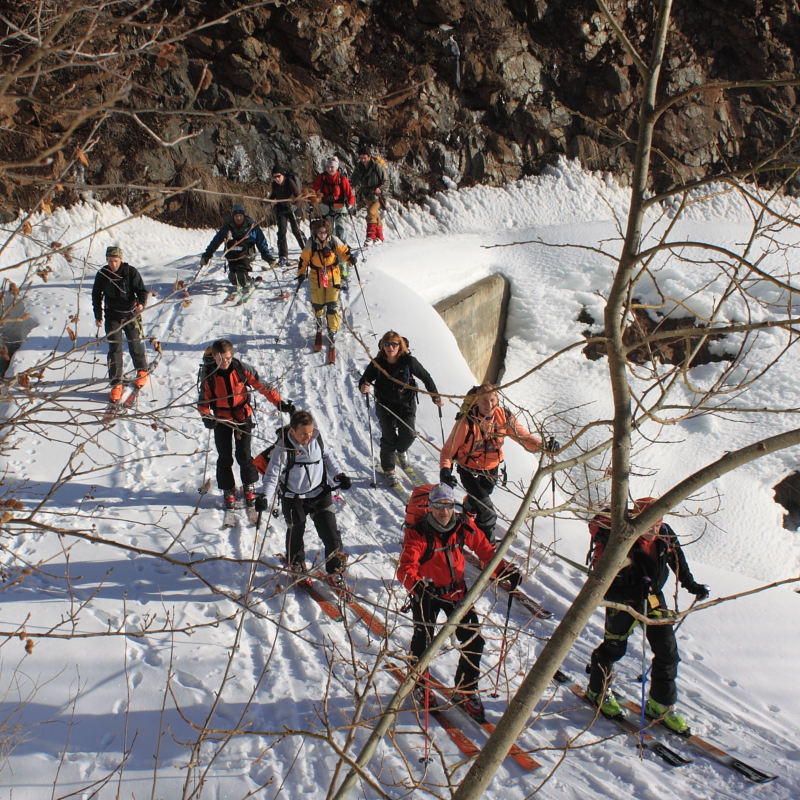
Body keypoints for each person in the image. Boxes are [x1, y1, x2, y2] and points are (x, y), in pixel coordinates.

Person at [396, 483, 522, 720]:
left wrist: (504, 570)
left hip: (456, 594)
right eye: (437, 505)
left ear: (453, 506)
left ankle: (466, 688)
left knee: (474, 642)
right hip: (428, 594)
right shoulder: (419, 533)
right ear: (429, 507)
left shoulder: (464, 526)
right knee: (423, 642)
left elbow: (486, 551)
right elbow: (405, 568)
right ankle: (420, 684)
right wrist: (417, 585)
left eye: (447, 505)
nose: (443, 511)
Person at [586, 498, 710, 733]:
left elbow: (677, 559)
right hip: (622, 600)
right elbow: (603, 577)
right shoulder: (621, 538)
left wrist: (691, 584)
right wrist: (630, 590)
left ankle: (660, 705)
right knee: (614, 648)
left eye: (658, 522)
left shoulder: (664, 532)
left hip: (653, 598)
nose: (654, 529)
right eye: (649, 523)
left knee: (668, 652)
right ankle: (597, 691)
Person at [440, 383, 557, 544]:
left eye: (493, 400)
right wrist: (445, 471)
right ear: (477, 402)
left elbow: (524, 438)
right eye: (484, 401)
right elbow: (448, 451)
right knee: (488, 512)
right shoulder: (466, 423)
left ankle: (468, 507)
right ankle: (488, 549)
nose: (489, 405)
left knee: (480, 499)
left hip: (492, 469)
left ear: (498, 399)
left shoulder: (504, 417)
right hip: (469, 470)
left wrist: (543, 445)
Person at [256, 409, 352, 589]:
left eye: (309, 432)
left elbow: (328, 458)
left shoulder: (317, 439)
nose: (307, 437)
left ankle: (335, 571)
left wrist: (339, 475)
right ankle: (296, 563)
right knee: (296, 532)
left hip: (319, 494)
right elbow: (272, 476)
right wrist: (264, 497)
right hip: (293, 497)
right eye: (303, 434)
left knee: (332, 536)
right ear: (292, 431)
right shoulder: (283, 448)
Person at [197, 339, 294, 511]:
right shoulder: (209, 375)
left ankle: (249, 484)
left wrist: (279, 403)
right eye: (221, 359)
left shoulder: (242, 369)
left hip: (243, 417)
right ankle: (228, 488)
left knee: (244, 454)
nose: (225, 362)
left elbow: (263, 386)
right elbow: (203, 400)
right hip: (221, 419)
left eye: (227, 358)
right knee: (224, 456)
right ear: (214, 357)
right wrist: (206, 416)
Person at [358, 331, 443, 487]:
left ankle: (401, 450)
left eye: (394, 344)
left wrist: (435, 396)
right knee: (389, 437)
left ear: (400, 346)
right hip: (385, 404)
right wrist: (364, 386)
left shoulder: (409, 361)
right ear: (382, 346)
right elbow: (365, 378)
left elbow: (426, 377)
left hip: (406, 403)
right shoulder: (377, 362)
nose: (390, 347)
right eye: (387, 344)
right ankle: (389, 469)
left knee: (409, 433)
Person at [92, 246, 149, 402]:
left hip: (130, 314)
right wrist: (98, 314)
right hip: (112, 315)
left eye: (115, 261)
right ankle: (116, 384)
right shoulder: (103, 274)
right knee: (114, 348)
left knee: (135, 343)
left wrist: (141, 304)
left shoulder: (130, 272)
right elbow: (96, 295)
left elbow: (142, 291)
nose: (113, 265)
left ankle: (142, 371)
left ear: (121, 260)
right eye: (110, 261)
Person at [297, 218, 357, 343]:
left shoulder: (333, 240)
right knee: (318, 303)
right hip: (316, 276)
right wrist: (301, 273)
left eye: (324, 232)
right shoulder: (311, 243)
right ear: (315, 233)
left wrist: (350, 259)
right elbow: (304, 259)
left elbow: (344, 251)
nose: (322, 235)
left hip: (332, 276)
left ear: (328, 232)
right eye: (320, 232)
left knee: (332, 304)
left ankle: (332, 329)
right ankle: (319, 319)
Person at [200, 203, 275, 288]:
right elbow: (216, 241)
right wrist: (207, 254)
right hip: (232, 255)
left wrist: (266, 255)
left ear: (243, 215)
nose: (238, 218)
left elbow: (261, 242)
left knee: (241, 274)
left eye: (240, 215)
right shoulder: (227, 228)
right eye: (236, 216)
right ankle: (237, 278)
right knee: (233, 277)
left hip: (247, 254)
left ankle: (244, 277)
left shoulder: (253, 228)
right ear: (233, 217)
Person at [311, 156, 355, 243]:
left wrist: (350, 204)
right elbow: (314, 190)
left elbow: (349, 193)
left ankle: (341, 246)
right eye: (328, 167)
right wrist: (310, 202)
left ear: (336, 167)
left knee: (340, 228)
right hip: (326, 206)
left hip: (339, 206)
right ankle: (329, 246)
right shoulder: (322, 177)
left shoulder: (342, 178)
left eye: (332, 167)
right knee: (328, 229)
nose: (330, 169)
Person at [350, 147, 387, 246]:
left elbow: (386, 180)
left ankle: (370, 236)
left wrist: (380, 189)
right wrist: (350, 185)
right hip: (367, 194)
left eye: (364, 158)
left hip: (378, 195)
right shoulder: (359, 167)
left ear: (369, 157)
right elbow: (355, 177)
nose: (362, 160)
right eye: (361, 158)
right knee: (375, 215)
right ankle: (380, 237)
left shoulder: (377, 166)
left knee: (371, 213)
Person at [269, 166, 305, 265]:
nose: (277, 179)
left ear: (283, 175)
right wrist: (266, 202)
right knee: (281, 231)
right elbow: (273, 196)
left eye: (278, 176)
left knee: (296, 230)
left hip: (293, 208)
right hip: (282, 209)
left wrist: (295, 206)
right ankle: (283, 256)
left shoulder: (289, 182)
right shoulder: (275, 185)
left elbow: (299, 196)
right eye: (274, 177)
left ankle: (307, 251)